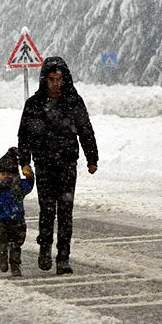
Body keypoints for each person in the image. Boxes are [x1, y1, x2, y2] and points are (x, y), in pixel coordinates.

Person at [17, 56, 98, 275]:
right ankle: (45, 248)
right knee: (47, 209)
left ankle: (63, 257)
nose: (55, 83)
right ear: (45, 79)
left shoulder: (73, 102)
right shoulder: (34, 104)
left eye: (59, 79)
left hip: (67, 164)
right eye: (51, 79)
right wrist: (24, 162)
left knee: (65, 211)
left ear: (65, 79)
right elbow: (24, 136)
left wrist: (92, 158)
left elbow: (85, 130)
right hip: (43, 164)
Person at [0, 147, 34, 277]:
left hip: (18, 221)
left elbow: (29, 185)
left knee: (16, 245)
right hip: (2, 221)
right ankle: (3, 257)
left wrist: (29, 175)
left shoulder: (18, 186)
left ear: (15, 174)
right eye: (3, 173)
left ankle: (15, 265)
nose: (6, 176)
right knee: (1, 244)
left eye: (9, 173)